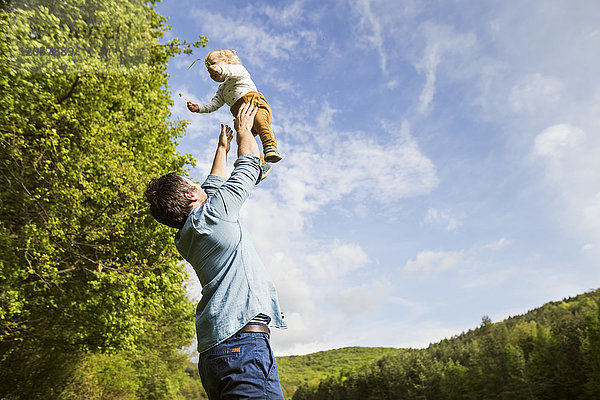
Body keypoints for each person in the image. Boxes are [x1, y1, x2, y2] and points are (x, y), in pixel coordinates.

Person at [144, 103, 287, 399]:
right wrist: (245, 132)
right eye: (193, 184)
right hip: (242, 346)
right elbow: (248, 166)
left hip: (216, 353)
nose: (201, 185)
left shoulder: (186, 236)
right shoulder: (214, 214)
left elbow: (211, 187)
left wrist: (222, 148)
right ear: (190, 195)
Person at [186, 49, 281, 178]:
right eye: (209, 69)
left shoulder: (239, 70)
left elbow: (231, 71)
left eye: (213, 63)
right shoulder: (222, 90)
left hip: (254, 104)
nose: (211, 69)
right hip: (242, 117)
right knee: (243, 140)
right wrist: (199, 108)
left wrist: (221, 70)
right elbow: (214, 104)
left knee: (260, 122)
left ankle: (270, 146)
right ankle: (261, 164)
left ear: (228, 61)